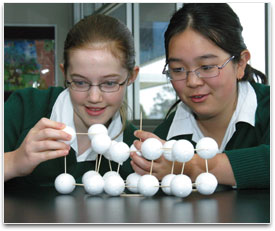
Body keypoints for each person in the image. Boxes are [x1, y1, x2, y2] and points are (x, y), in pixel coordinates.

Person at [131, 3, 269, 189]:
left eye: (206, 67)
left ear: (241, 64)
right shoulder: (163, 144)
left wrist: (191, 166)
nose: (193, 82)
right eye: (178, 69)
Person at [4, 14, 139, 187]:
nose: (94, 98)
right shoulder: (24, 108)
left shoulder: (136, 151)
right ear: (65, 73)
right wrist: (14, 161)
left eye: (110, 83)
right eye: (80, 82)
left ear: (131, 76)